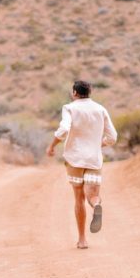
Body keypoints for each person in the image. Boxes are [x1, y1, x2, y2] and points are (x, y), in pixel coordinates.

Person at [46, 80, 117, 249]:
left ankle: (82, 240)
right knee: (92, 195)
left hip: (75, 159)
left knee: (79, 197)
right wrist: (99, 144)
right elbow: (113, 137)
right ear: (90, 92)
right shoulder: (100, 109)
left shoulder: (70, 108)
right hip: (93, 159)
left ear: (74, 93)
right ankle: (97, 205)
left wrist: (52, 145)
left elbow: (63, 129)